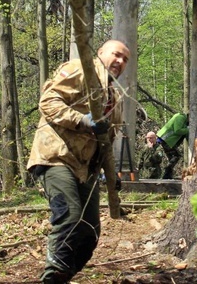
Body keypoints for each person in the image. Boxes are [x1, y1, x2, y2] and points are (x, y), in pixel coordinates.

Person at [27, 39, 130, 284]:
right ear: (101, 53)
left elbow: (108, 140)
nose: (120, 62)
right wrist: (82, 120)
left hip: (87, 167)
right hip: (57, 155)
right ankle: (52, 276)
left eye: (125, 59)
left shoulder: (114, 95)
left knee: (90, 230)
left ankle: (63, 275)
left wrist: (111, 173)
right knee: (71, 217)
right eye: (116, 55)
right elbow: (48, 102)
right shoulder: (79, 70)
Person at [156, 112, 189, 179]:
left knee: (172, 158)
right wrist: (188, 129)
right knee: (176, 156)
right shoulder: (180, 117)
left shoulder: (185, 122)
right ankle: (166, 174)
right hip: (166, 138)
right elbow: (177, 130)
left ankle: (168, 175)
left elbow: (186, 135)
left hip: (167, 140)